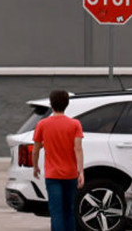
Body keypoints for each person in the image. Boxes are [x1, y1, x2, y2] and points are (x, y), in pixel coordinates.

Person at [32, 89, 84, 231]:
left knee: (56, 212)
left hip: (52, 175)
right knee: (69, 210)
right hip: (71, 174)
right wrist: (81, 171)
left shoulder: (42, 124)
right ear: (67, 104)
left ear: (51, 104)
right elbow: (78, 149)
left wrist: (35, 167)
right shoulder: (75, 124)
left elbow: (36, 149)